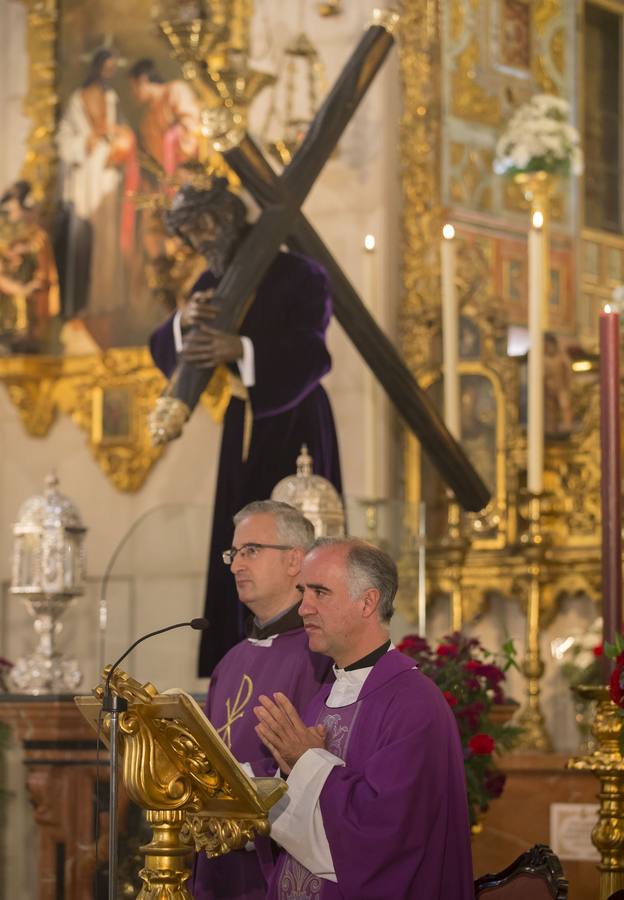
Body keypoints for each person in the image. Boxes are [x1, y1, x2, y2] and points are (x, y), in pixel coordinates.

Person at [149, 180, 342, 676]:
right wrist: (181, 321)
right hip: (245, 423)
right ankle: (239, 653)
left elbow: (313, 352)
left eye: (204, 224)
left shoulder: (301, 274)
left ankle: (307, 652)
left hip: (294, 414)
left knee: (296, 536)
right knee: (242, 539)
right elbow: (167, 350)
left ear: (230, 216)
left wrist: (242, 350)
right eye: (188, 231)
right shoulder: (213, 280)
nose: (197, 238)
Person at [254, 538, 475, 899]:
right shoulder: (327, 694)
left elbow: (384, 836)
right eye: (302, 591)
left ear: (367, 602)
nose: (304, 607)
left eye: (320, 592)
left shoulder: (414, 706)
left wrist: (307, 760)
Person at [192, 499, 334, 899]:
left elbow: (330, 760)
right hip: (215, 862)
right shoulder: (230, 661)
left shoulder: (321, 655)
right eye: (233, 554)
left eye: (251, 551)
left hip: (276, 865)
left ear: (294, 561)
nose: (236, 565)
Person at [57, 49, 137, 316]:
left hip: (106, 174)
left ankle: (107, 298)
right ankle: (83, 301)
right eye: (106, 68)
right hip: (85, 176)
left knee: (107, 237)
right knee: (84, 235)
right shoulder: (77, 100)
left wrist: (117, 142)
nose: (108, 74)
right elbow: (64, 141)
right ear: (97, 67)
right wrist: (86, 142)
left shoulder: (111, 98)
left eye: (112, 70)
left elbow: (125, 134)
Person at [0, 180, 60, 352]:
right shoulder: (5, 227)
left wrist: (24, 249)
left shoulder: (34, 232)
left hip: (25, 293)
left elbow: (39, 248)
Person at [128, 58, 201, 177]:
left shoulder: (176, 90)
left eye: (133, 87)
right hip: (172, 176)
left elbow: (192, 124)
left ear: (143, 81)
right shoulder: (147, 120)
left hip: (191, 166)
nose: (133, 93)